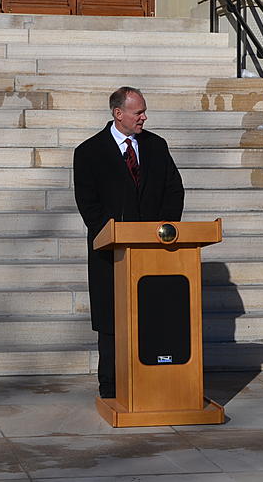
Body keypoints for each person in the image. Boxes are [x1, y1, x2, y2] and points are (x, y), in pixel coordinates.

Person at [73, 86, 184, 398]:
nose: (144, 117)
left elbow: (174, 190)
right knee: (112, 321)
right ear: (118, 113)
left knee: (152, 316)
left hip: (153, 251)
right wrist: (111, 235)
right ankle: (111, 385)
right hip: (110, 254)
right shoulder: (89, 152)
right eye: (138, 112)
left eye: (144, 111)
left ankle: (152, 380)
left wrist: (161, 231)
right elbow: (88, 203)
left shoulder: (157, 146)